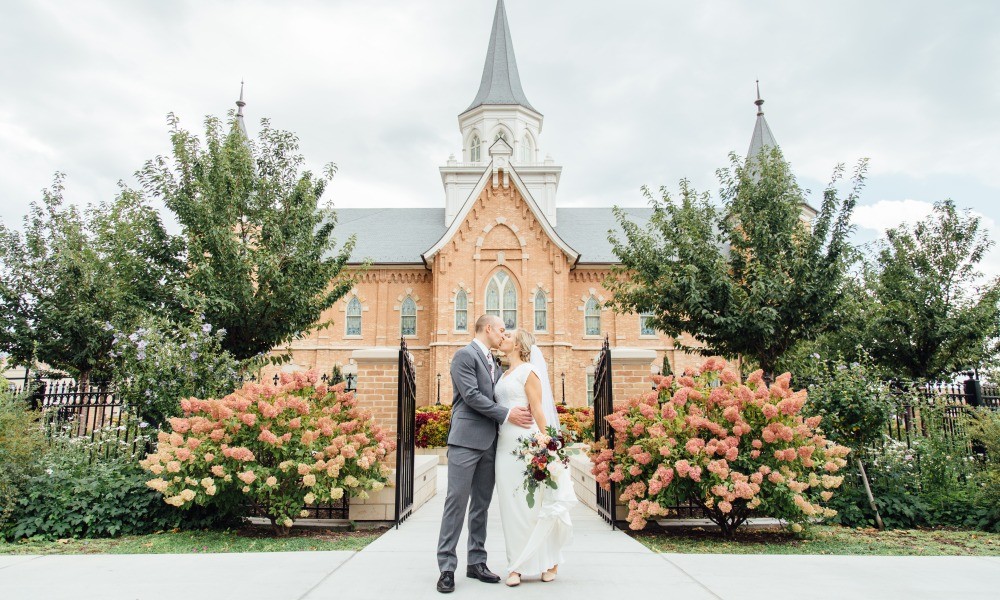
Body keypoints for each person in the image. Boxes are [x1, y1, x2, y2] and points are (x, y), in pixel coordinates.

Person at [435, 314, 534, 594]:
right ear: (487, 329)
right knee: (456, 502)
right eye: (501, 330)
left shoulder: (494, 361)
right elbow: (472, 396)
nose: (504, 336)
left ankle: (476, 561)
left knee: (481, 505)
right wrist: (507, 414)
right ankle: (447, 567)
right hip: (466, 441)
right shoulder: (463, 356)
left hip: (491, 443)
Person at [493, 329, 576, 586]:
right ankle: (516, 564)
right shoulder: (503, 373)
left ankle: (550, 560)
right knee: (510, 507)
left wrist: (547, 444)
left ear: (518, 344)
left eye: (508, 336)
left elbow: (538, 408)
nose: (502, 338)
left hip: (527, 444)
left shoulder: (529, 371)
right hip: (504, 447)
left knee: (535, 505)